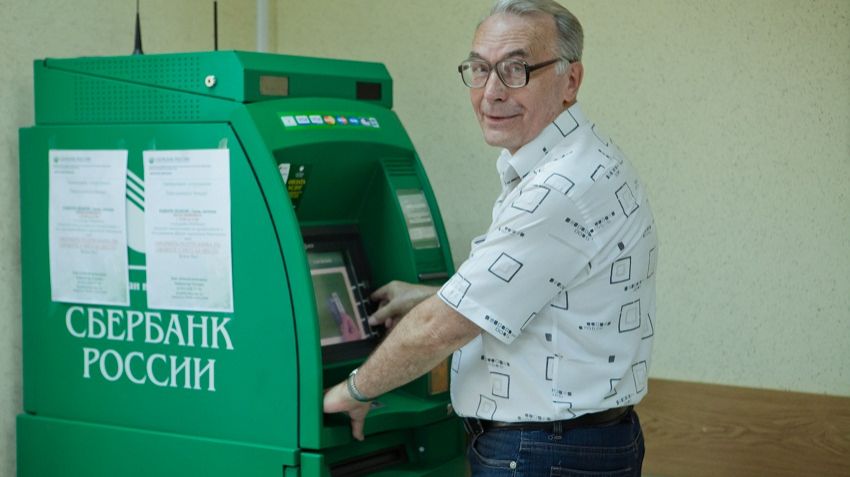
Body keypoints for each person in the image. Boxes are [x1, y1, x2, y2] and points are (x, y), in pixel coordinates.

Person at [323, 0, 658, 475]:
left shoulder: (560, 188)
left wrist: (353, 390)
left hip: (545, 452)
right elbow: (536, 291)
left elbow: (439, 329)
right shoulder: (581, 157)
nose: (492, 93)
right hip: (572, 443)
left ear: (570, 80)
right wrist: (430, 295)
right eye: (480, 69)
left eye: (516, 69)